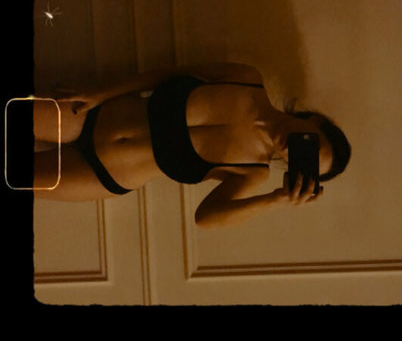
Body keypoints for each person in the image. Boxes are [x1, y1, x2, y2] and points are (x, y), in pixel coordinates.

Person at [33, 62, 351, 227]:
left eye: (302, 160)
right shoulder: (246, 80)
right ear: (314, 122)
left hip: (102, 176)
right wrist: (100, 93)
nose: (293, 150)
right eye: (309, 144)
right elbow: (168, 74)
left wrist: (276, 199)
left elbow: (206, 218)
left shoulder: (253, 171)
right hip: (93, 113)